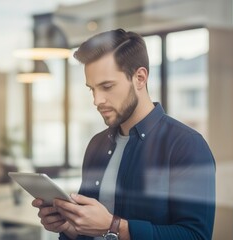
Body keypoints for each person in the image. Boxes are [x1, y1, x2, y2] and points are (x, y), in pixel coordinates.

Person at [32, 29, 216, 240]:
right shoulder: (96, 145)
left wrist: (114, 226)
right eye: (92, 89)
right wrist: (68, 225)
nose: (97, 100)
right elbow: (90, 234)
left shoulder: (186, 145)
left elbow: (196, 236)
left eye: (107, 86)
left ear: (140, 78)